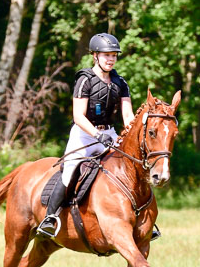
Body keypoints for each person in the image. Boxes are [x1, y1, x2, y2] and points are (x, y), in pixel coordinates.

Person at [37, 32, 134, 238]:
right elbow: (78, 116)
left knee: (130, 167)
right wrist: (97, 136)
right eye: (106, 55)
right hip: (84, 134)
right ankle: (50, 218)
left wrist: (130, 133)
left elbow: (127, 115)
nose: (111, 59)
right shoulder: (85, 80)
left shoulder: (121, 83)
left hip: (109, 133)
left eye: (114, 55)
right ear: (95, 56)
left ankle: (141, 219)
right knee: (70, 169)